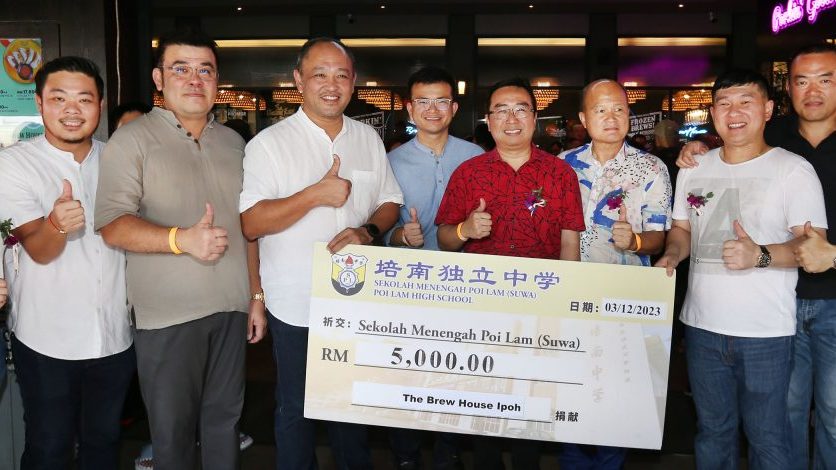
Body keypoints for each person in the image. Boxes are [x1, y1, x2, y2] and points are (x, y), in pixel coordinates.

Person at [94, 29, 266, 470]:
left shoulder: (234, 143)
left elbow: (246, 227)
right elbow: (113, 226)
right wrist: (181, 240)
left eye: (205, 70)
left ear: (217, 80)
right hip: (167, 316)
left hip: (230, 308)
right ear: (158, 78)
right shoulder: (132, 140)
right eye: (181, 68)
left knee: (225, 425)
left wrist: (255, 296)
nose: (194, 79)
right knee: (172, 436)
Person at [239, 37, 403, 470]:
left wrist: (368, 230)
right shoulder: (268, 144)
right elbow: (251, 223)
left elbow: (390, 201)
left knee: (350, 408)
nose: (331, 85)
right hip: (296, 303)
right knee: (296, 409)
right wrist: (314, 194)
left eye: (341, 75)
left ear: (353, 82)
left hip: (358, 300)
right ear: (298, 81)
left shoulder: (367, 138)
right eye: (319, 75)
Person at [656, 68, 827, 469]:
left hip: (766, 332)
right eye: (724, 103)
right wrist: (672, 255)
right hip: (701, 327)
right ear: (713, 113)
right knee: (712, 432)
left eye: (746, 102)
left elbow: (812, 247)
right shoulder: (694, 167)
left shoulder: (793, 169)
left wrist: (760, 255)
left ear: (767, 109)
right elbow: (682, 229)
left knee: (768, 438)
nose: (734, 112)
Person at [436, 77, 585, 469]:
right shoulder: (469, 173)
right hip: (483, 312)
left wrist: (566, 309)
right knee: (485, 406)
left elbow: (570, 245)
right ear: (488, 120)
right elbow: (444, 239)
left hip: (540, 310)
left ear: (535, 118)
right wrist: (465, 230)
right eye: (501, 110)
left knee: (531, 408)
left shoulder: (560, 174)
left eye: (521, 109)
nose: (511, 118)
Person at [0, 56, 135, 470]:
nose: (72, 110)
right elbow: (39, 249)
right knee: (49, 448)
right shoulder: (13, 164)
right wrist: (57, 225)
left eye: (84, 99)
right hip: (46, 338)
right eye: (59, 98)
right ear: (40, 103)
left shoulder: (118, 160)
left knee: (104, 444)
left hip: (114, 335)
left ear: (100, 105)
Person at [557, 79, 672, 469]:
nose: (611, 117)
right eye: (601, 110)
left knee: (618, 393)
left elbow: (659, 237)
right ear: (583, 118)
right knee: (570, 389)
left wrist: (636, 241)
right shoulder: (561, 165)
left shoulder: (651, 168)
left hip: (623, 300)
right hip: (567, 297)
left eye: (619, 109)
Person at [384, 65, 483, 469]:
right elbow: (379, 231)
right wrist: (399, 236)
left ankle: (449, 451)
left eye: (441, 101)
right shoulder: (391, 162)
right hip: (410, 287)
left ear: (454, 108)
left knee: (456, 374)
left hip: (465, 286)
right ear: (410, 109)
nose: (432, 109)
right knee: (406, 371)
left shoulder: (476, 158)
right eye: (423, 101)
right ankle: (406, 454)